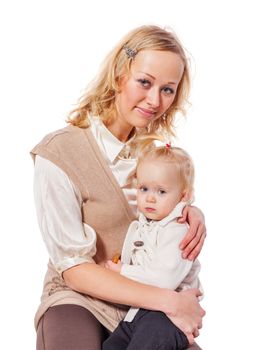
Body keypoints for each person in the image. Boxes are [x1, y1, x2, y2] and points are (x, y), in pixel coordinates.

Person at [31, 25, 206, 350]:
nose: (155, 100)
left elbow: (162, 218)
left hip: (146, 311)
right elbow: (74, 269)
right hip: (78, 300)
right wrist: (171, 302)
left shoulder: (156, 155)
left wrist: (189, 211)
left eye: (168, 89)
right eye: (145, 82)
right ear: (118, 73)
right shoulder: (58, 153)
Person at [103, 143, 203, 350]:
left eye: (161, 191)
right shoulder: (144, 224)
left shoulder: (178, 230)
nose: (150, 197)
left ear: (183, 197)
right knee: (112, 346)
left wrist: (122, 271)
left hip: (167, 318)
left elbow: (163, 279)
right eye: (144, 189)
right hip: (140, 310)